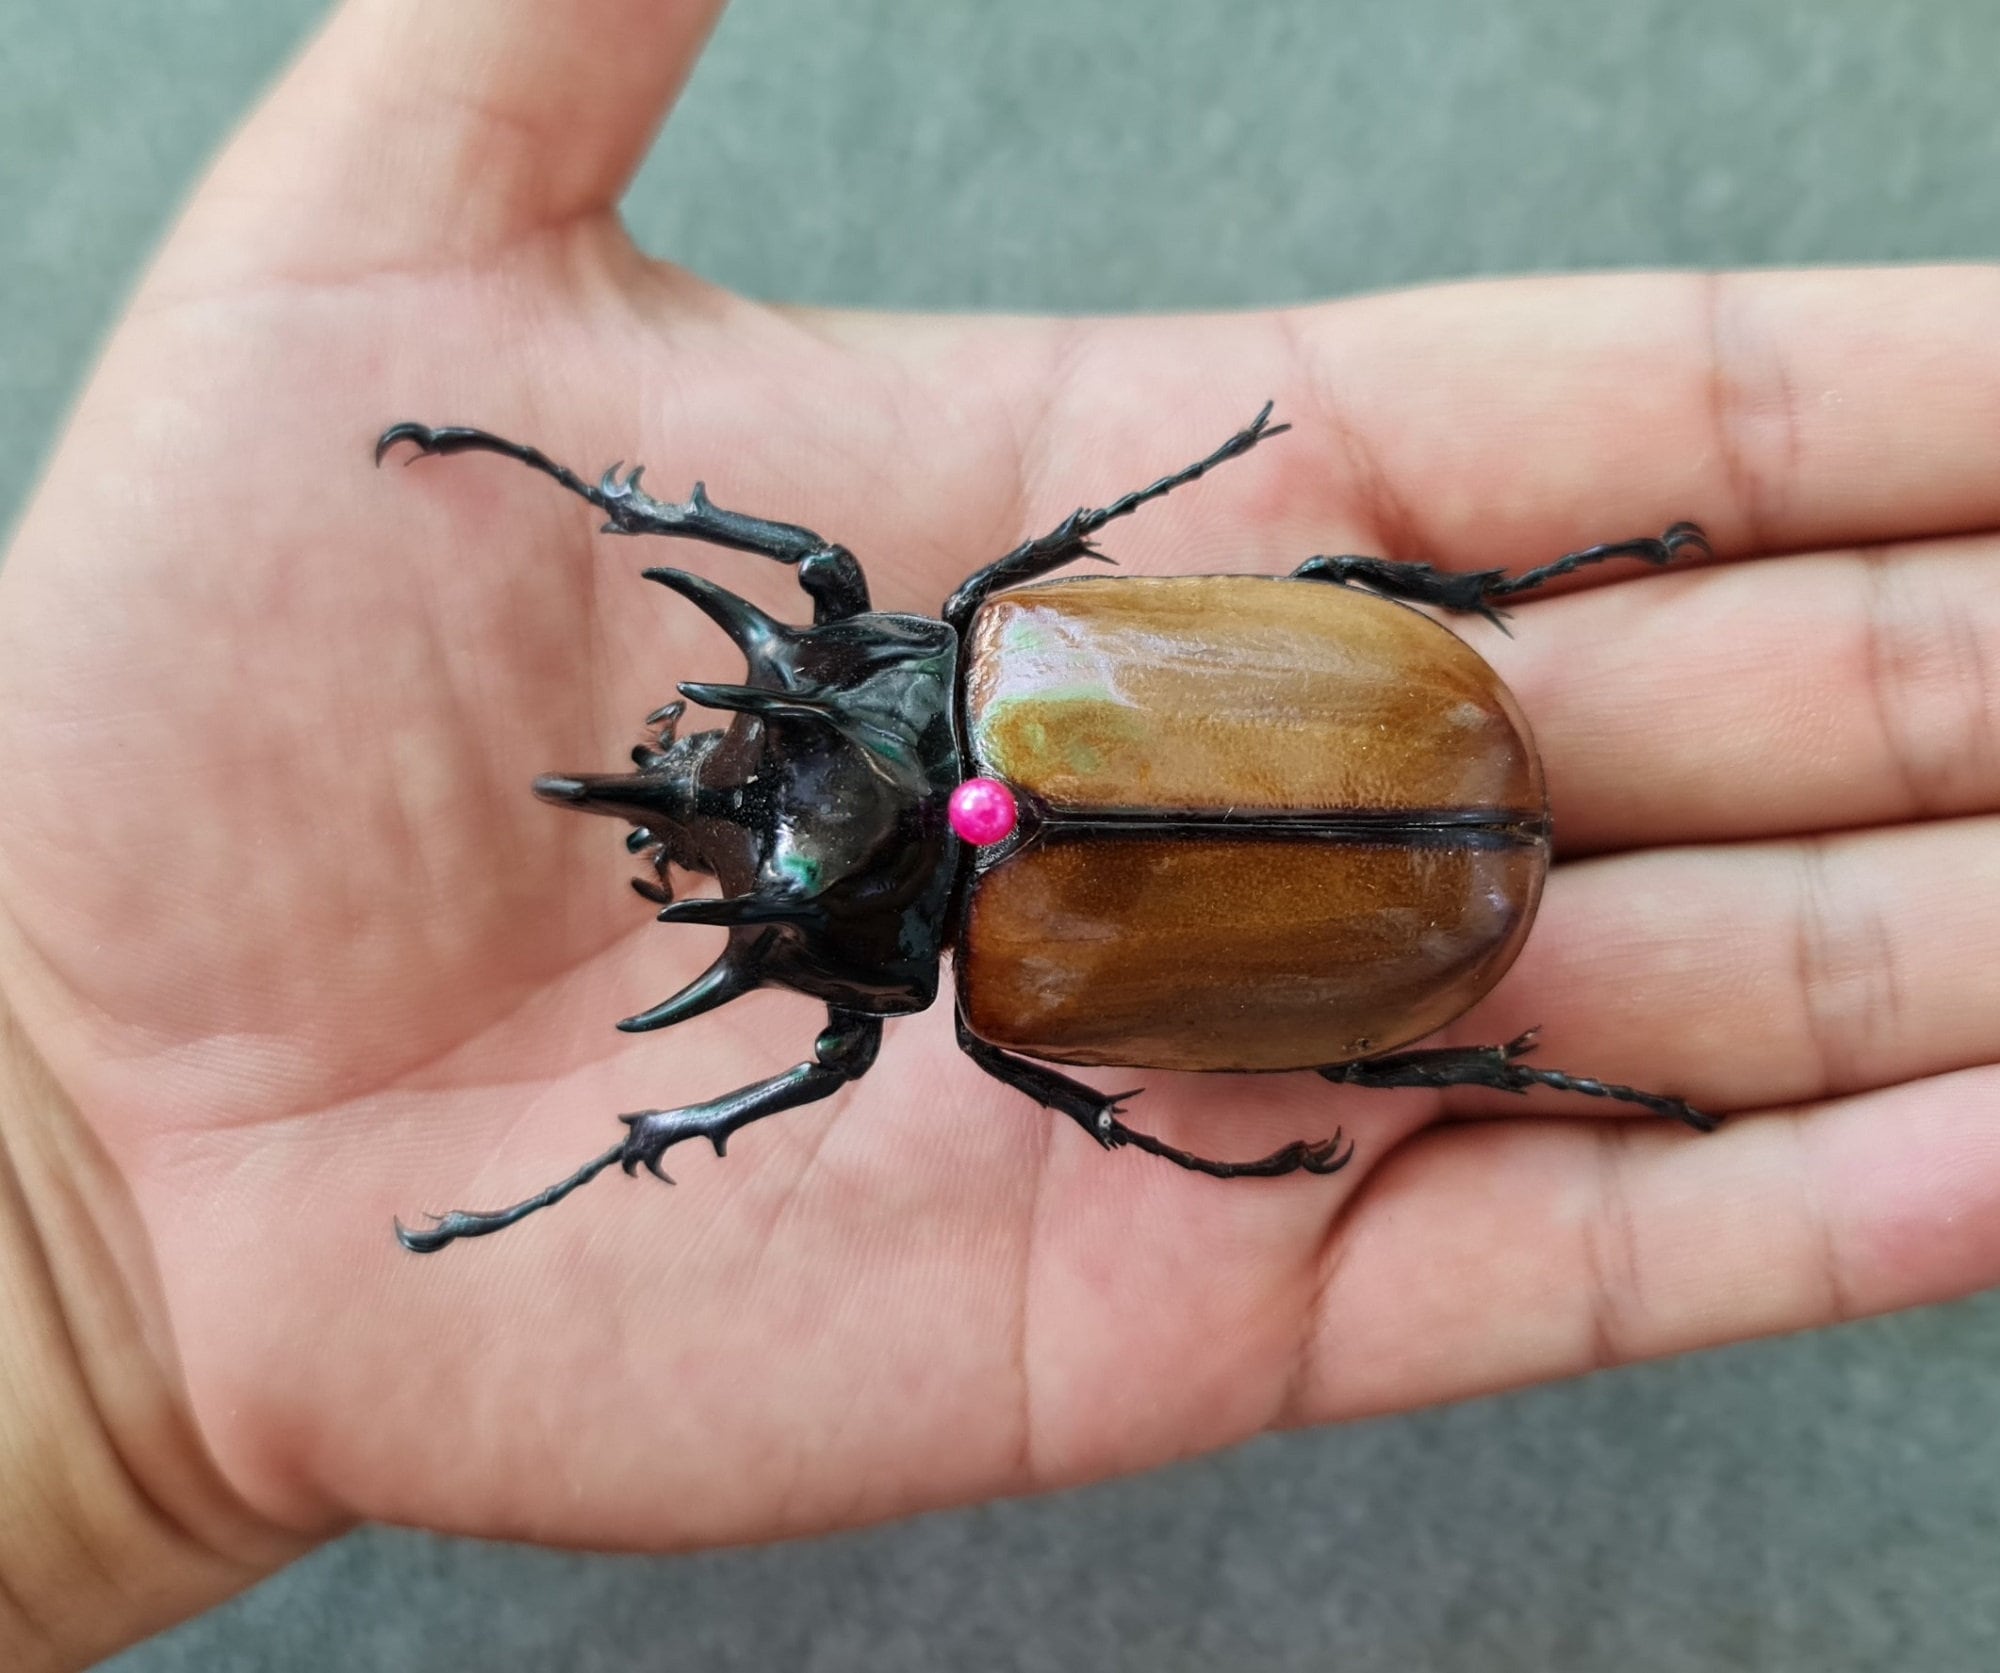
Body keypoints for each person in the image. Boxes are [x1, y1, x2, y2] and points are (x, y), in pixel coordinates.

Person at [3, 2, 1997, 1667]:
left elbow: (851, 1034)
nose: (707, 782)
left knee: (1323, 961)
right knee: (1315, 625)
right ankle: (1542, 914)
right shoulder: (1006, 651)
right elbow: (851, 575)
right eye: (731, 792)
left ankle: (1534, 982)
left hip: (1410, 841)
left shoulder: (1005, 966)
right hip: (1401, 789)